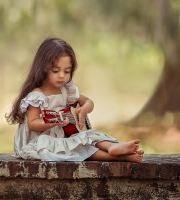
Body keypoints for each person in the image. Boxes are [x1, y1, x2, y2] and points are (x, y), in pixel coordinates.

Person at [6, 37, 144, 162]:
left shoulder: (67, 90)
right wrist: (53, 123)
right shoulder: (37, 96)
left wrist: (84, 109)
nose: (61, 76)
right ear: (43, 68)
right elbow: (32, 123)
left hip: (63, 136)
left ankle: (111, 147)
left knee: (89, 135)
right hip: (41, 141)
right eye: (56, 71)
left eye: (67, 71)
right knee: (77, 148)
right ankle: (121, 156)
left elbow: (88, 101)